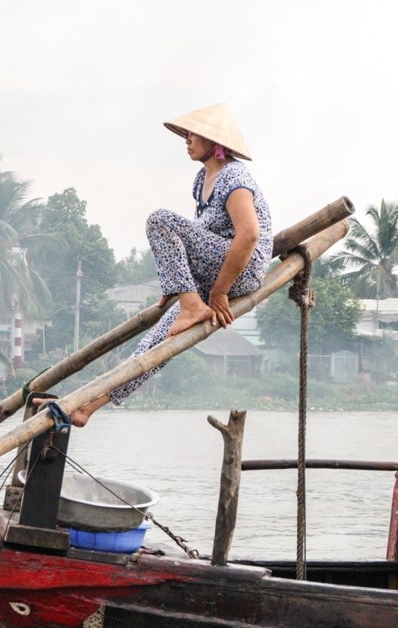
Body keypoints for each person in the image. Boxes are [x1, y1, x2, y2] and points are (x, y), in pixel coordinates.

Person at [65, 103, 273, 427]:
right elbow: (197, 236)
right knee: (156, 343)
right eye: (186, 134)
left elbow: (248, 236)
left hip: (241, 268)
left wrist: (218, 294)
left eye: (193, 134)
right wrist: (175, 283)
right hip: (212, 268)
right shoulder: (201, 179)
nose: (186, 140)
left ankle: (193, 306)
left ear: (214, 141)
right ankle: (88, 408)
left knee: (159, 220)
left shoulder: (234, 177)